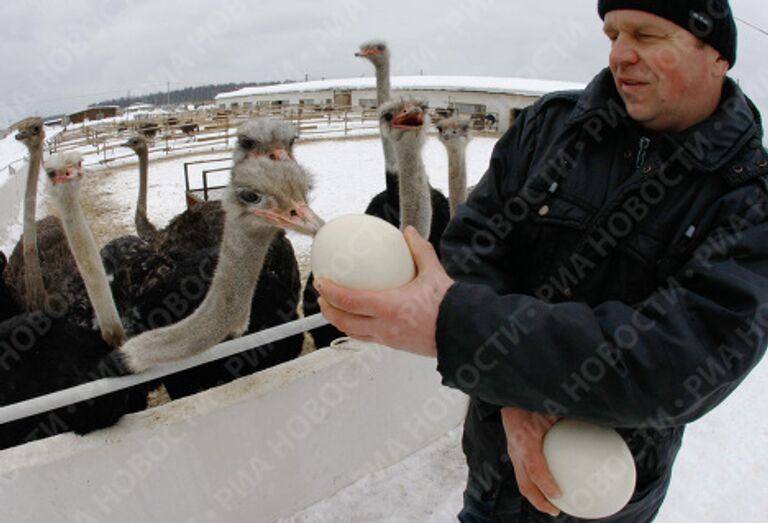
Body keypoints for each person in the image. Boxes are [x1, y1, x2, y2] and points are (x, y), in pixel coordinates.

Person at [315, 1, 768, 520]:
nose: (620, 54)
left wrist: (452, 324)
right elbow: (472, 248)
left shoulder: (748, 201)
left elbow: (682, 358)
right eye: (613, 34)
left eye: (646, 35)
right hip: (493, 467)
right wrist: (516, 398)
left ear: (717, 55)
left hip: (605, 495)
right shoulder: (549, 130)